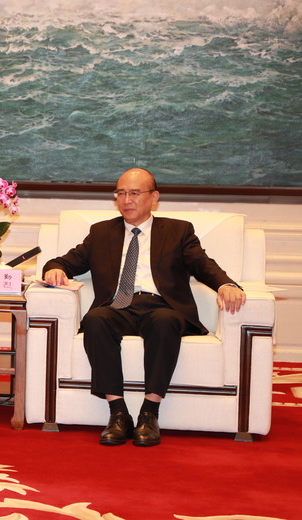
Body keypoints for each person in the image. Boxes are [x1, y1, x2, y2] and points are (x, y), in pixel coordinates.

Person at [42, 168, 245, 447]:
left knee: (164, 322)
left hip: (161, 305)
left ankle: (150, 413)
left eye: (135, 193)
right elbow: (65, 261)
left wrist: (225, 284)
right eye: (121, 193)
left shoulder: (178, 231)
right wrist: (54, 269)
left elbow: (202, 264)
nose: (126, 200)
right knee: (96, 320)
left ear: (154, 197)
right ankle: (118, 413)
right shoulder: (101, 232)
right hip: (118, 305)